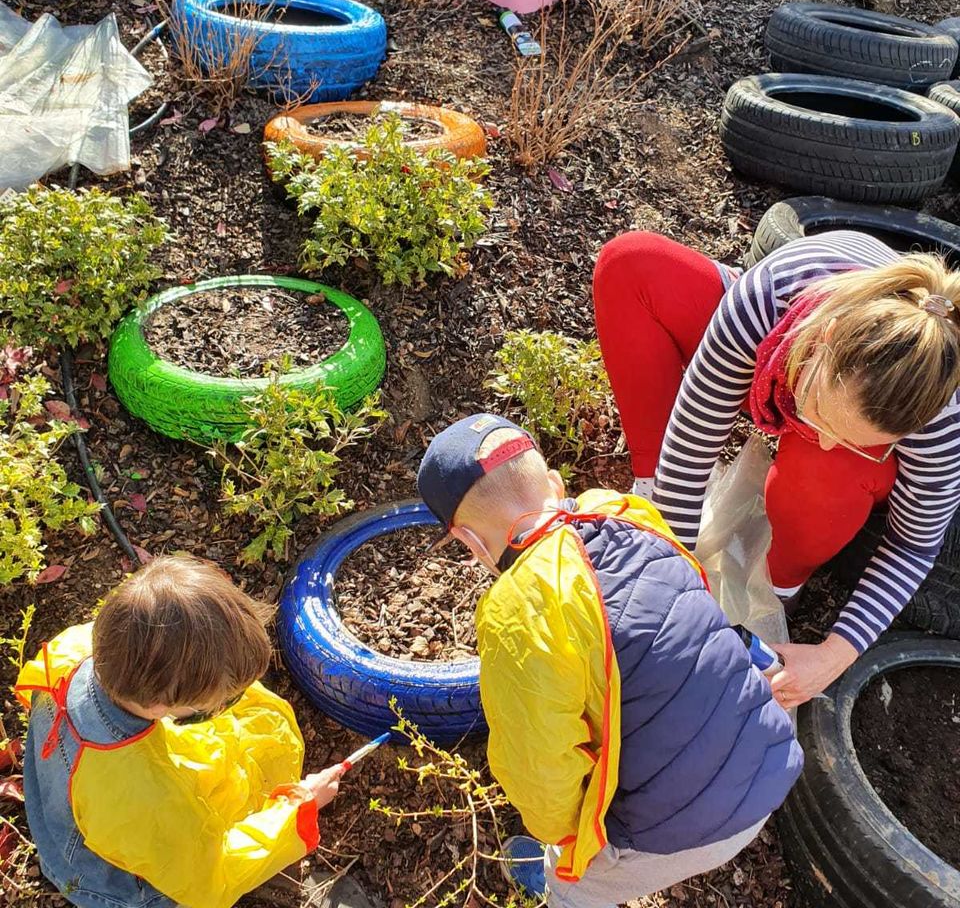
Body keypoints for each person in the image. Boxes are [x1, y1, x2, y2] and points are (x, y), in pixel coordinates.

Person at [416, 413, 803, 904]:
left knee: (577, 881)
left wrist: (565, 843)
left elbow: (540, 766)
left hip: (690, 826)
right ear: (554, 483)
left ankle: (567, 889)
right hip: (768, 754)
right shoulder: (625, 512)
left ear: (470, 543)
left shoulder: (519, 610)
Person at [592, 229, 960, 710]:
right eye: (825, 419)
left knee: (824, 468)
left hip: (825, 407)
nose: (827, 439)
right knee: (632, 264)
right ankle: (650, 487)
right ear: (822, 343)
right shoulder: (770, 297)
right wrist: (671, 572)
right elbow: (695, 434)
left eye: (855, 440)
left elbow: (913, 546)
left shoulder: (936, 415)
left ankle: (780, 583)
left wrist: (833, 655)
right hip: (781, 347)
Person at [15, 554, 344, 908]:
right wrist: (298, 808)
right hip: (113, 885)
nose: (222, 707)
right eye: (214, 704)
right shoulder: (142, 794)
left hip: (61, 818)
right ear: (160, 707)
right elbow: (212, 875)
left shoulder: (75, 650)